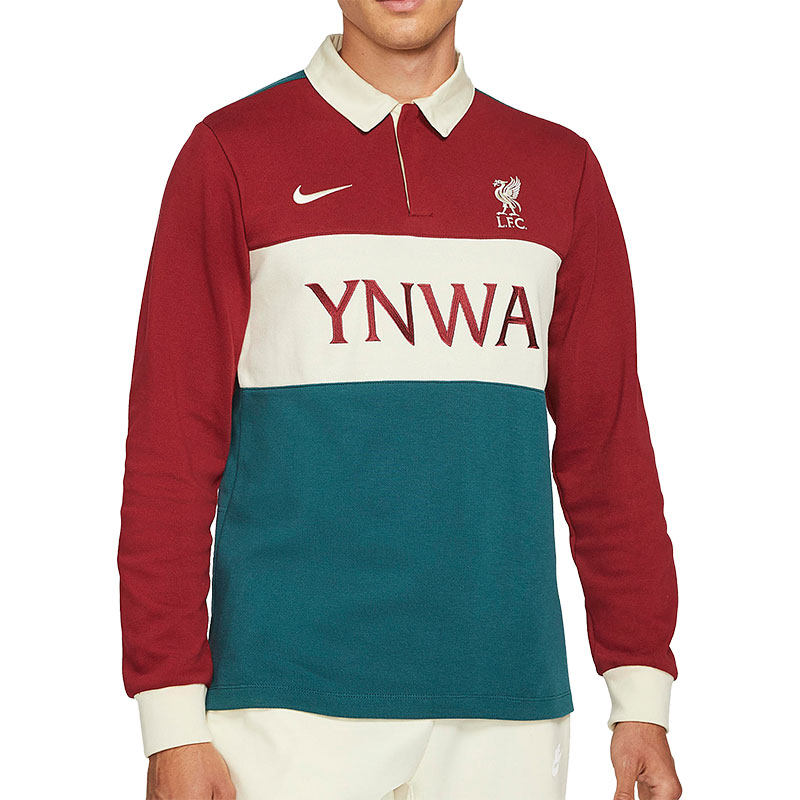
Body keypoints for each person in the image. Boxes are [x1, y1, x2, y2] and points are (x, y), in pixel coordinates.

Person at [118, 1, 682, 798]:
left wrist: (641, 696)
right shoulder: (232, 154)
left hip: (506, 708)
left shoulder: (561, 171)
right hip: (285, 707)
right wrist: (171, 719)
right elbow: (171, 449)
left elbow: (609, 451)